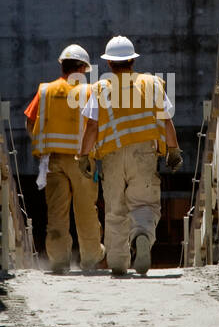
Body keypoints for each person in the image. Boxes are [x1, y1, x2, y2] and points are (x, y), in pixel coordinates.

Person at [77, 35, 182, 277]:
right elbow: (166, 120)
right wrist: (173, 149)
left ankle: (117, 261)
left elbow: (91, 127)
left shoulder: (101, 88)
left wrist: (84, 156)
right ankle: (142, 235)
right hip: (144, 154)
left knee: (115, 208)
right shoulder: (152, 84)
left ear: (110, 64)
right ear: (132, 61)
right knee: (144, 203)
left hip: (112, 156)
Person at [24, 45, 104, 274]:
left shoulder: (46, 91)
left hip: (53, 161)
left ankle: (59, 260)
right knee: (86, 210)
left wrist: (44, 143)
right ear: (81, 68)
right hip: (82, 160)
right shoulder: (90, 91)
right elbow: (98, 125)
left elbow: (30, 122)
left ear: (63, 66)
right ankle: (90, 259)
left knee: (57, 212)